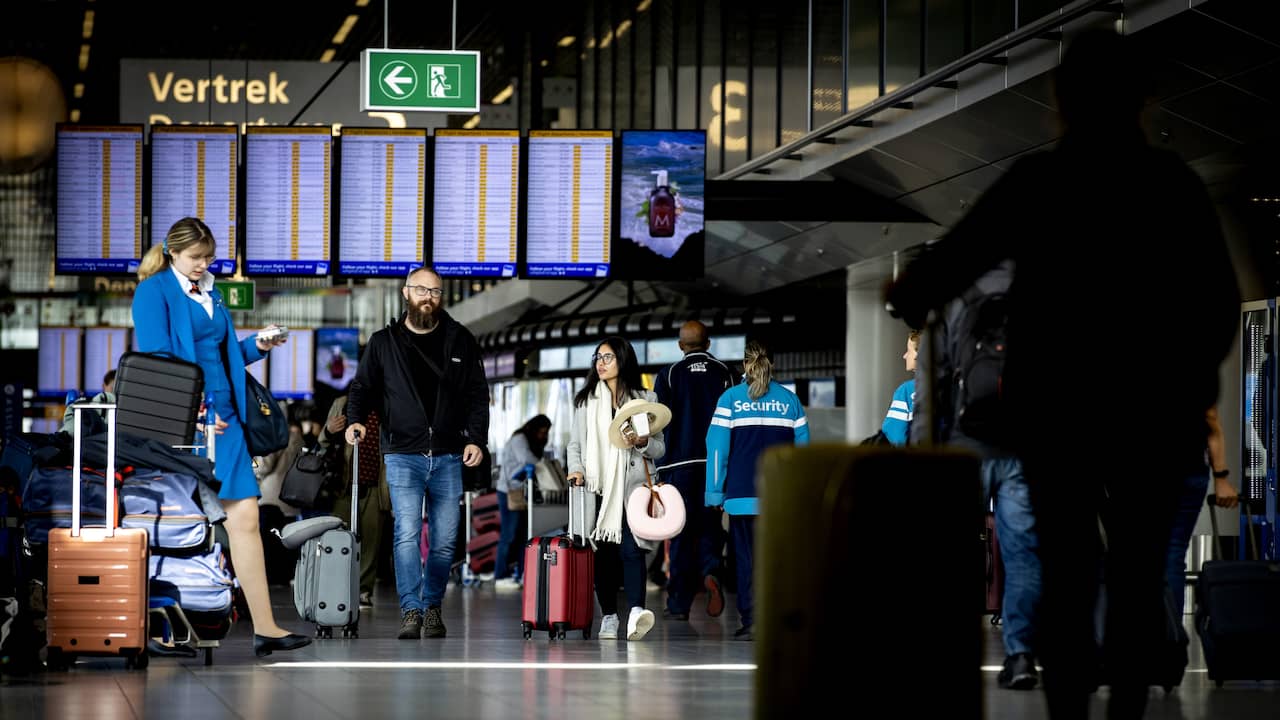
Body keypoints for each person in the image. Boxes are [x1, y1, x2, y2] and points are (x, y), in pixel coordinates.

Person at [885, 30, 1239, 719]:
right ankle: (1129, 703)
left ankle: (1070, 706)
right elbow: (1219, 302)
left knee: (1068, 572)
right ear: (1145, 99)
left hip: (1059, 419)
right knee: (1136, 577)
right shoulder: (1173, 184)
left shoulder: (1038, 183)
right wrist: (1191, 387)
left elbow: (943, 269)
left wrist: (906, 294)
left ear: (1059, 100)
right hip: (1153, 418)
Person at [132, 217, 310, 657]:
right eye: (196, 257)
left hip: (226, 420)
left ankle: (266, 627)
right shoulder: (154, 291)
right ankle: (151, 628)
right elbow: (156, 358)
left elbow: (222, 355)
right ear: (172, 252)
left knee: (246, 521)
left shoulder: (211, 294)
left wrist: (258, 346)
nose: (203, 264)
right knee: (169, 524)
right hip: (184, 421)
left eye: (208, 257)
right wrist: (191, 413)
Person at [345, 265, 489, 640]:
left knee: (444, 541)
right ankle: (411, 609)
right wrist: (354, 420)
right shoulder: (383, 342)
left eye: (436, 291)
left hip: (449, 454)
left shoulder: (460, 339)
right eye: (422, 290)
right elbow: (361, 387)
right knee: (406, 534)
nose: (429, 297)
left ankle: (433, 605)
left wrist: (476, 438)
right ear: (406, 294)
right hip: (402, 454)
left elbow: (477, 395)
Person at [706, 339, 810, 640]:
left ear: (743, 365)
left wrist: (714, 492)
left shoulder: (730, 399)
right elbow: (802, 453)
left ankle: (752, 620)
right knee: (777, 558)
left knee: (747, 558)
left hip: (741, 496)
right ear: (772, 364)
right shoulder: (790, 401)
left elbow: (717, 450)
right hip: (780, 496)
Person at [567, 336, 666, 641]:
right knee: (604, 554)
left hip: (631, 489)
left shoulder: (644, 398)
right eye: (597, 357)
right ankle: (609, 615)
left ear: (623, 360)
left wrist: (644, 442)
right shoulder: (586, 402)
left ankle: (636, 612)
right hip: (597, 489)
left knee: (632, 550)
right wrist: (577, 470)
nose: (600, 363)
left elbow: (660, 449)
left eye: (607, 357)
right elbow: (575, 445)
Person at [653, 320, 733, 620]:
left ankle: (678, 606)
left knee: (681, 534)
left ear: (680, 345)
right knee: (712, 526)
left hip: (679, 467)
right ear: (708, 344)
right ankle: (711, 570)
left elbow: (658, 422)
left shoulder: (669, 374)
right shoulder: (725, 373)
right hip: (715, 464)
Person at [1166, 405, 1239, 617]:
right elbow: (1210, 417)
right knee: (1173, 552)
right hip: (1191, 466)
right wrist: (1221, 477)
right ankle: (1171, 637)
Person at [322, 395, 388, 609]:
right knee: (339, 538)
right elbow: (323, 441)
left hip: (376, 483)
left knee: (371, 539)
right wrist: (328, 430)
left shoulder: (386, 403)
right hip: (344, 483)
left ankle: (363, 591)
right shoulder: (343, 403)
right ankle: (338, 588)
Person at [495, 415, 551, 590]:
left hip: (523, 493)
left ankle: (521, 573)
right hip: (509, 492)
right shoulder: (519, 439)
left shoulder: (532, 441)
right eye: (541, 432)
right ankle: (500, 575)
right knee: (508, 535)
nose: (543, 436)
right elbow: (525, 459)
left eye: (546, 433)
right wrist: (546, 466)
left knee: (522, 536)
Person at [879, 331, 919, 446]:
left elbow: (895, 434)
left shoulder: (906, 390)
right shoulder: (953, 385)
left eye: (908, 351)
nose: (905, 355)